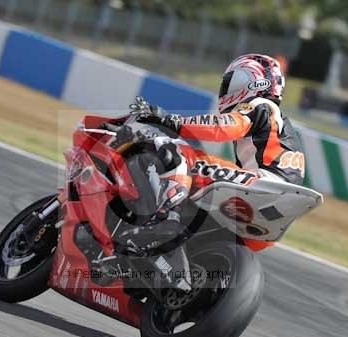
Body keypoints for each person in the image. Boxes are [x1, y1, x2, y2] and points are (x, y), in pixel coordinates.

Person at [116, 54, 306, 291]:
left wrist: (169, 120)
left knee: (176, 150)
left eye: (233, 81)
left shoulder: (260, 105)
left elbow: (224, 127)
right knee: (199, 196)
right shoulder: (281, 124)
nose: (226, 88)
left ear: (256, 82)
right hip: (274, 205)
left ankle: (165, 219)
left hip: (263, 183)